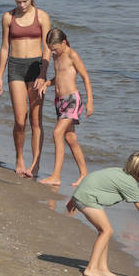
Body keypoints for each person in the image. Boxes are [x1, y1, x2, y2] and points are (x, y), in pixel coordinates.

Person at [65, 152, 139, 276]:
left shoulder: (119, 172)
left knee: (104, 231)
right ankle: (91, 268)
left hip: (82, 195)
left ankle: (102, 268)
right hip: (87, 198)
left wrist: (74, 198)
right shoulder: (130, 184)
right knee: (107, 231)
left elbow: (94, 179)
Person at [0, 0, 52, 177]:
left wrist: (43, 74)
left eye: (25, 1)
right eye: (19, 2)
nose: (22, 5)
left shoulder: (42, 16)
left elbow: (47, 48)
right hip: (16, 67)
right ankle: (19, 157)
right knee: (20, 120)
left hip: (36, 67)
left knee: (36, 121)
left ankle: (35, 164)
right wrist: (0, 76)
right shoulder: (8, 17)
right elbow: (4, 48)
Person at [41, 28, 92, 188]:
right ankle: (84, 174)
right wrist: (48, 83)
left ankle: (56, 176)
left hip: (72, 100)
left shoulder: (72, 55)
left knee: (57, 133)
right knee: (70, 138)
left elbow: (85, 77)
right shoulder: (57, 56)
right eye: (50, 49)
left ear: (63, 42)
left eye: (55, 48)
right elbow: (60, 77)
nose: (52, 52)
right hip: (60, 101)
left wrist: (90, 101)